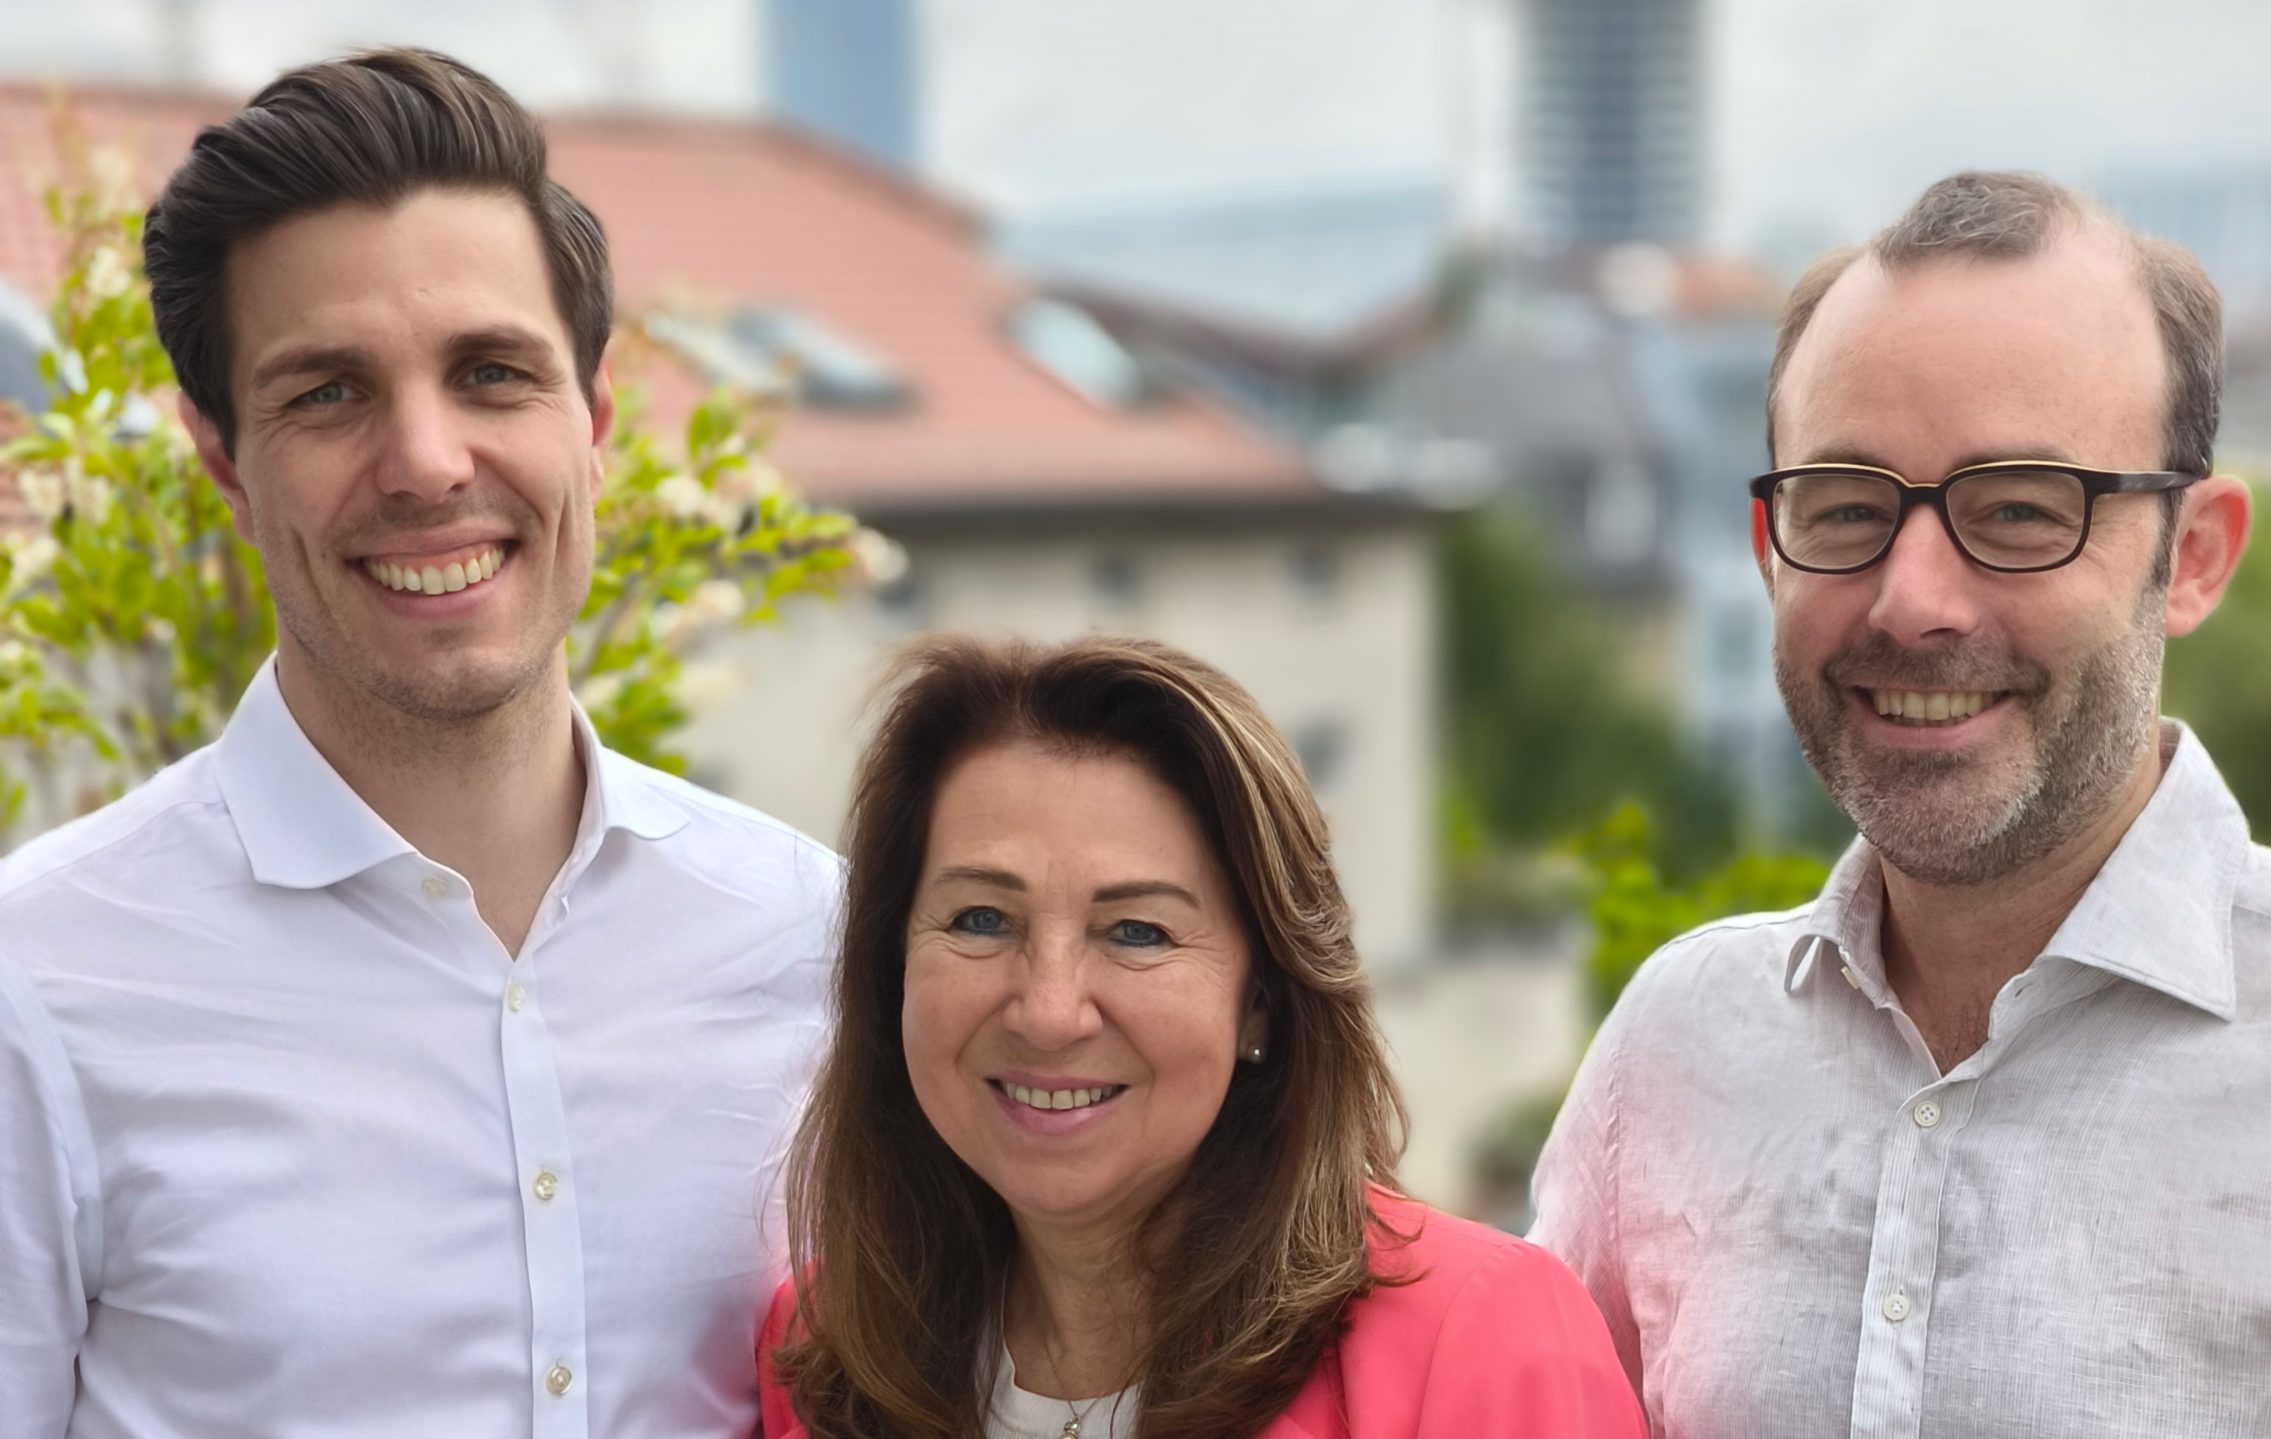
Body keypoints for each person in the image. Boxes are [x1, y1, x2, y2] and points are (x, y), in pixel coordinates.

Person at [1530, 170, 2271, 1437]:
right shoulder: (1676, 1045)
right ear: (1766, 551)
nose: (1912, 600)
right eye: (1845, 508)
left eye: (2018, 510)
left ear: (2192, 557)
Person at [0, 50, 839, 1437]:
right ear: (224, 461)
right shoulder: (36, 985)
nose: (428, 462)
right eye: (328, 392)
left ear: (595, 422)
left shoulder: (816, 935)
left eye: (492, 373)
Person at [757, 636, 1643, 1438]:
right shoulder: (826, 1347)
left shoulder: (1485, 1337)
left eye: (1137, 931)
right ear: (892, 967)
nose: (1049, 1010)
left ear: (1260, 1000)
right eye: (981, 918)